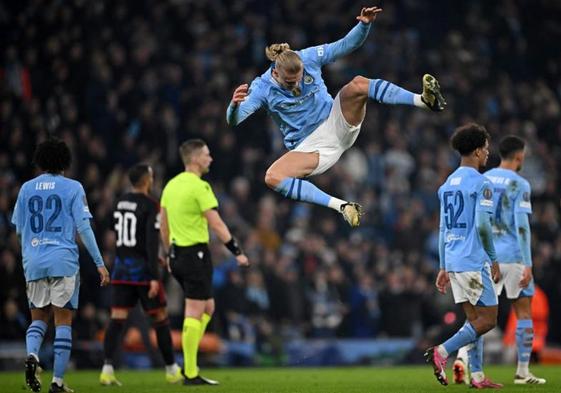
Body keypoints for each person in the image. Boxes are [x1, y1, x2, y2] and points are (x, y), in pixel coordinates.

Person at [226, 6, 446, 227]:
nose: (297, 85)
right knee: (272, 176)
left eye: (300, 78)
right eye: (290, 83)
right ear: (275, 73)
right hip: (310, 147)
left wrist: (364, 25)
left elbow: (345, 45)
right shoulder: (262, 88)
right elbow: (235, 119)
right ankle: (343, 206)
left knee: (358, 84)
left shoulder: (309, 58)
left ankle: (423, 101)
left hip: (336, 121)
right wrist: (234, 106)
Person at [11, 138, 110, 393]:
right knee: (63, 321)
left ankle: (32, 354)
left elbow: (20, 231)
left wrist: (28, 257)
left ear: (40, 161)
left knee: (38, 318)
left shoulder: (25, 189)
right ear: (65, 161)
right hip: (62, 260)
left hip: (33, 261)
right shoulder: (73, 187)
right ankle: (57, 382)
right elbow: (84, 228)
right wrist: (100, 263)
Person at [452, 136, 546, 385]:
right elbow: (522, 226)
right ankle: (523, 372)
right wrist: (528, 262)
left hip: (486, 256)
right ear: (520, 156)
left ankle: (461, 357)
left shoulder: (484, 179)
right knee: (523, 312)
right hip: (514, 256)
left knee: (478, 316)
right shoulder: (520, 184)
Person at [160, 139, 249, 385]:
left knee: (208, 308)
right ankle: (190, 372)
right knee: (194, 311)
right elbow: (217, 223)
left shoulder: (171, 186)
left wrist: (169, 253)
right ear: (196, 158)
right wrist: (236, 250)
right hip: (194, 255)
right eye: (207, 155)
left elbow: (164, 225)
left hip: (178, 254)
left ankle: (189, 362)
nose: (210, 159)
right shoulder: (200, 187)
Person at [425, 123, 502, 389]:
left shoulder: (446, 185)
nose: (488, 154)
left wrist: (443, 266)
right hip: (473, 260)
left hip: (454, 260)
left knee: (474, 322)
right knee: (488, 320)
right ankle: (442, 352)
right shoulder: (483, 183)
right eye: (487, 149)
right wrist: (493, 258)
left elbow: (443, 228)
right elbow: (482, 225)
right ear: (479, 151)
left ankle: (477, 376)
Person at [99, 164, 182, 386]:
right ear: (147, 180)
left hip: (121, 269)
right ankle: (171, 369)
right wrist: (155, 276)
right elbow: (150, 241)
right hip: (143, 272)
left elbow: (114, 231)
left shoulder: (119, 202)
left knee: (117, 319)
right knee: (160, 318)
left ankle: (107, 369)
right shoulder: (151, 205)